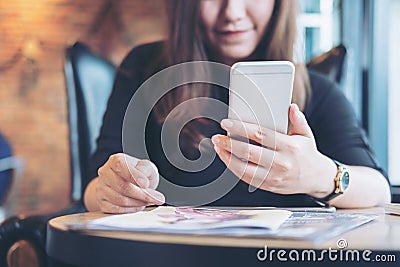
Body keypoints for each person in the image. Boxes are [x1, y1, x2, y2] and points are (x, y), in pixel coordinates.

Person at [84, 0, 391, 214]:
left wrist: (320, 176)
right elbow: (93, 188)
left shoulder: (317, 90)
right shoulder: (145, 68)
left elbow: (379, 189)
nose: (231, 12)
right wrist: (112, 190)